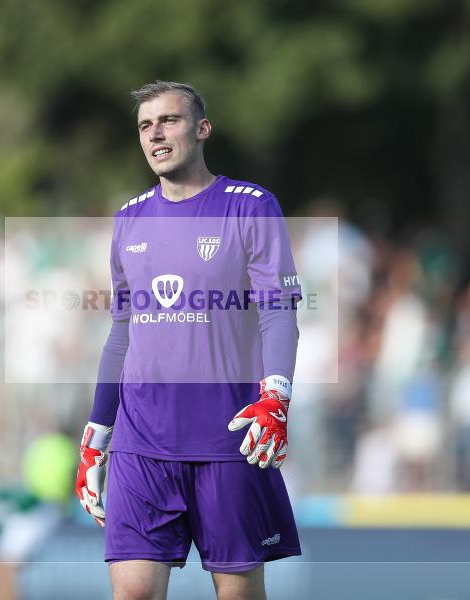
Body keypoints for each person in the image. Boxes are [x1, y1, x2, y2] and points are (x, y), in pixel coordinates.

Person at [75, 81, 302, 600]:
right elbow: (121, 334)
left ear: (202, 129)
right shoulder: (128, 219)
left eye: (169, 121)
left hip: (226, 436)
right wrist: (97, 433)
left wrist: (277, 397)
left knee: (238, 593)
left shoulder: (250, 207)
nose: (155, 134)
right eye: (144, 126)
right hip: (142, 442)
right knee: (132, 593)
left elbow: (279, 313)